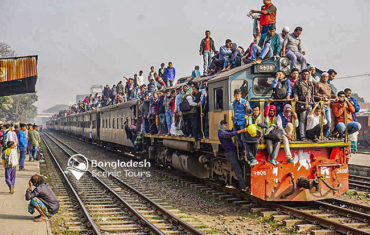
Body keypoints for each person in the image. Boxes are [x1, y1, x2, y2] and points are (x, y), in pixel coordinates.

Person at [218, 120, 249, 192]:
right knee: (238, 170)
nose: (226, 126)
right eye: (225, 125)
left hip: (232, 152)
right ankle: (243, 187)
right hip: (230, 153)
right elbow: (229, 134)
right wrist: (241, 131)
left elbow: (231, 131)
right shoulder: (221, 133)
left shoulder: (225, 131)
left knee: (239, 169)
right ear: (222, 125)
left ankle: (243, 185)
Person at [294, 69, 314, 140]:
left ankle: (309, 134)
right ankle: (302, 135)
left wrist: (313, 102)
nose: (305, 76)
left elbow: (312, 94)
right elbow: (295, 92)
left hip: (309, 103)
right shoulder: (298, 83)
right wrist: (296, 97)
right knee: (302, 120)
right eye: (304, 74)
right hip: (302, 103)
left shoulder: (310, 83)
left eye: (307, 74)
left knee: (310, 119)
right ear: (301, 75)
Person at [315, 72, 336, 137]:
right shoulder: (318, 84)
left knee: (329, 122)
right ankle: (319, 136)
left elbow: (329, 95)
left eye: (326, 77)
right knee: (321, 122)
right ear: (321, 77)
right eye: (323, 77)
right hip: (321, 106)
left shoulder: (328, 85)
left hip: (327, 106)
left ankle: (326, 136)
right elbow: (315, 94)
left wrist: (335, 96)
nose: (325, 78)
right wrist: (322, 96)